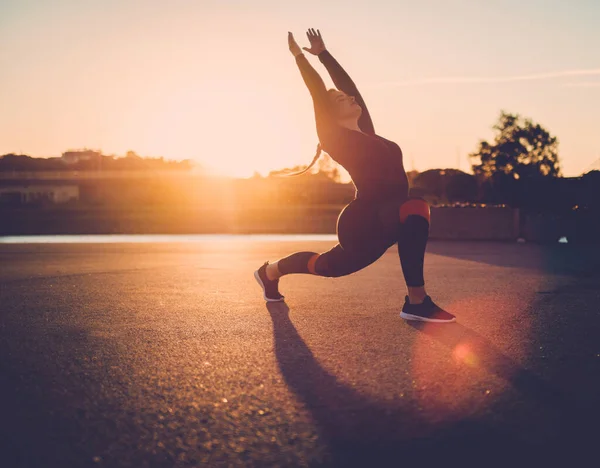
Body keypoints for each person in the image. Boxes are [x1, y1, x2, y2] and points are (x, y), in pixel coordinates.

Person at [254, 29, 455, 323]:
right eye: (340, 100)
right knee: (414, 206)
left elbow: (352, 87)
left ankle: (268, 272)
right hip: (364, 222)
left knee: (324, 265)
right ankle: (417, 303)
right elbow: (317, 92)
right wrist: (300, 57)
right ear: (330, 114)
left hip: (390, 216)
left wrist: (324, 54)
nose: (349, 98)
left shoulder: (371, 134)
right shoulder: (336, 137)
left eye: (348, 98)